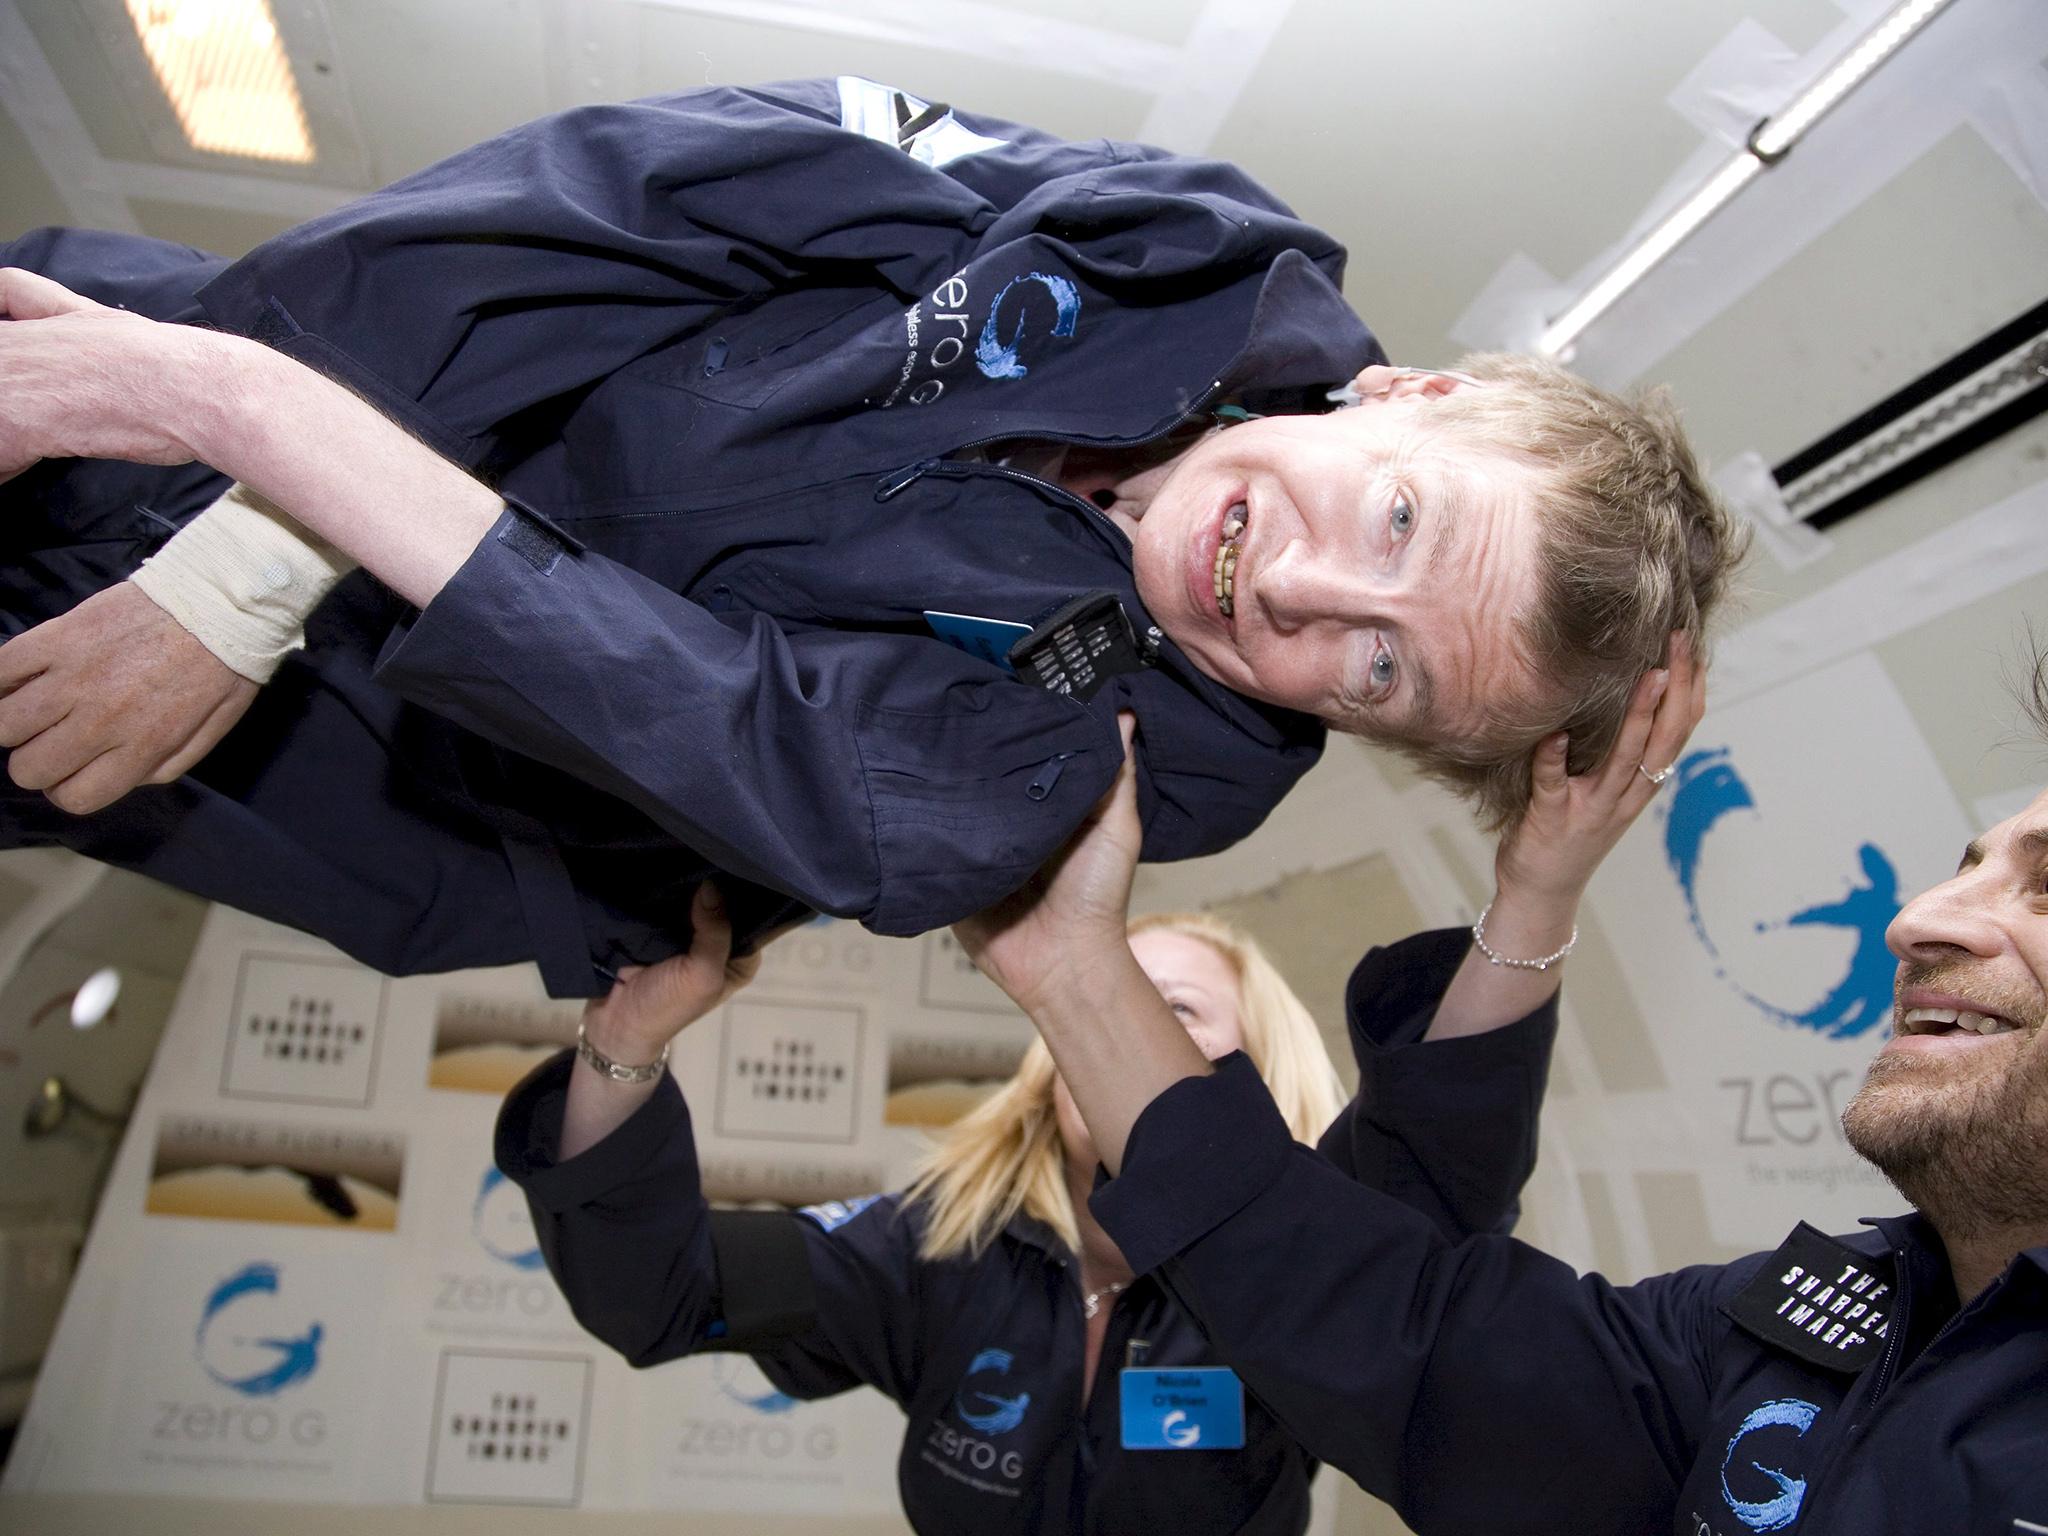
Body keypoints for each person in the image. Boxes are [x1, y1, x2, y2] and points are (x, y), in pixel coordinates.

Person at [0, 78, 1743, 995]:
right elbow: (650, 197)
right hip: (263, 358)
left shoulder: (1178, 765)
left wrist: (249, 515)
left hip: (364, 759)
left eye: (1379, 662)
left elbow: (732, 736)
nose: (1293, 585)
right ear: (1406, 397)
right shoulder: (1174, 246)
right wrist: (244, 533)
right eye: (1396, 521)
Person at [955, 651, 2048, 1534]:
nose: (1920, 918)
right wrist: (1069, 966)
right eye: (1965, 864)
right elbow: (1405, 1332)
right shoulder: (1806, 1325)